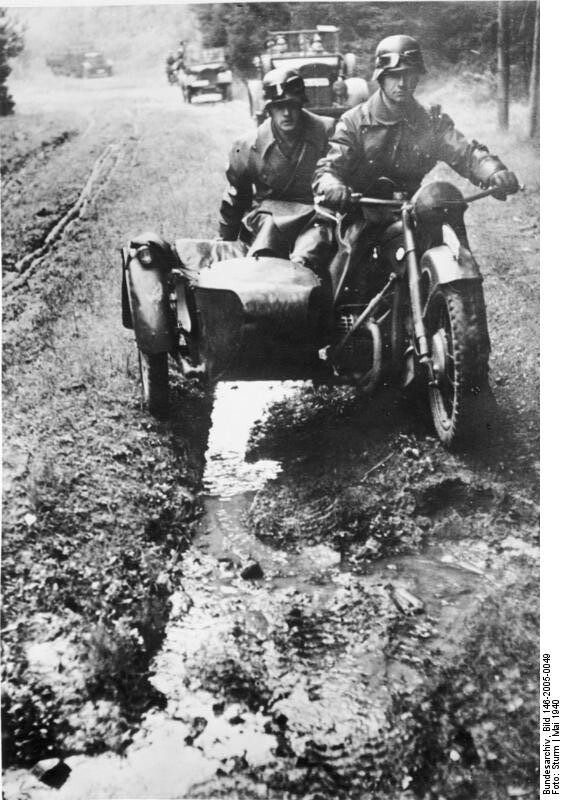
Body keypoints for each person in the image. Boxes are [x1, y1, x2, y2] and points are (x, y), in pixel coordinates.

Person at [313, 34, 519, 213]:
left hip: (413, 208)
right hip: (362, 211)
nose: (402, 84)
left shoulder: (431, 120)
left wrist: (493, 171)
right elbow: (330, 167)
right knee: (348, 254)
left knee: (449, 244)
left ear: (417, 77)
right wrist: (332, 186)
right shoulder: (354, 121)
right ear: (381, 78)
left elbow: (464, 152)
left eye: (409, 75)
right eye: (394, 75)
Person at [218, 68, 336, 270]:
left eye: (292, 105)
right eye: (279, 107)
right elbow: (236, 197)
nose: (287, 113)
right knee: (264, 253)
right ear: (269, 110)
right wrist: (226, 239)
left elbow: (339, 172)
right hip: (270, 217)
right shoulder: (248, 146)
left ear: (301, 105)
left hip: (316, 215)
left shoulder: (326, 131)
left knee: (311, 250)